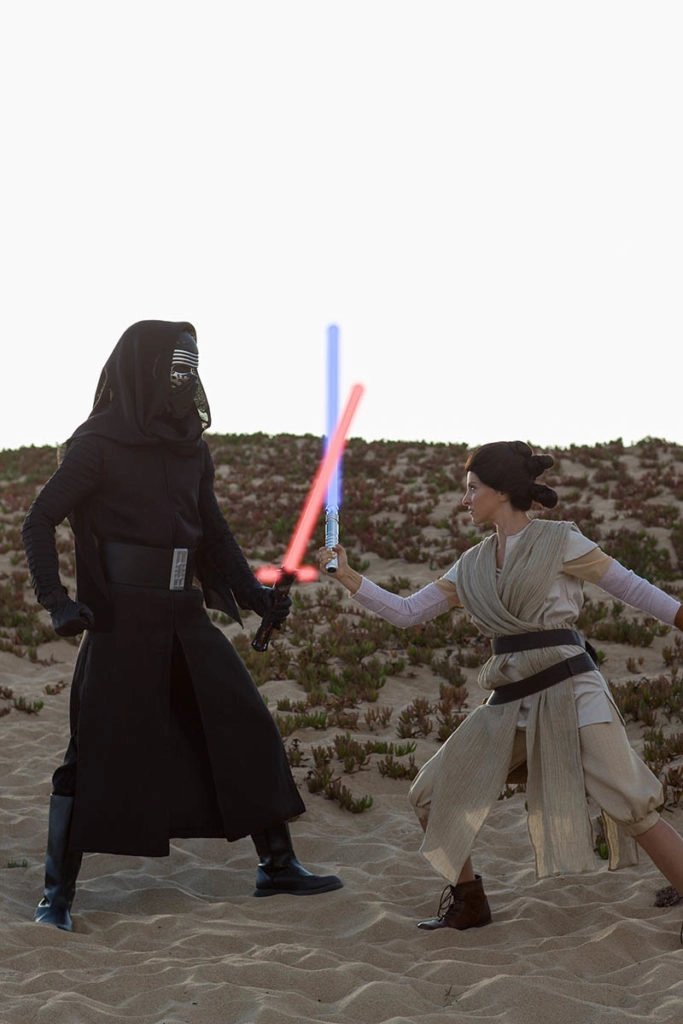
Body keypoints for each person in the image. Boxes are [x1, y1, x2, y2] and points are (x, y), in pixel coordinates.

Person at [23, 319, 342, 932]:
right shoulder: (97, 444)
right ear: (142, 369)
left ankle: (277, 865)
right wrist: (57, 602)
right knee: (93, 749)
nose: (186, 378)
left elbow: (213, 533)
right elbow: (37, 520)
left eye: (192, 365)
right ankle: (55, 897)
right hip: (121, 620)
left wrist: (255, 596)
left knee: (243, 724)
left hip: (183, 612)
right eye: (175, 365)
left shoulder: (190, 445)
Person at [318, 440, 683, 935]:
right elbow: (407, 613)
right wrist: (349, 576)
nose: (465, 500)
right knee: (430, 793)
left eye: (473, 489)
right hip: (511, 702)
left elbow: (632, 587)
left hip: (573, 691)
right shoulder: (471, 564)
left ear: (503, 492)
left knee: (632, 803)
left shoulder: (560, 541)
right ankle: (469, 902)